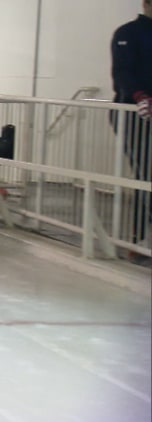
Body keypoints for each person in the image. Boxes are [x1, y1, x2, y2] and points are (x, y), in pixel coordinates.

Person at [110, 0, 152, 261]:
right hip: (133, 113)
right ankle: (138, 240)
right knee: (145, 173)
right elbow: (122, 73)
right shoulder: (127, 34)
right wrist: (140, 97)